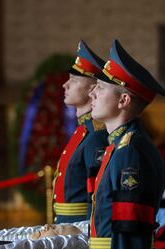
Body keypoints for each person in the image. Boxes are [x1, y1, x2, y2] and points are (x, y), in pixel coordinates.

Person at [88, 39, 165, 249]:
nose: (92, 92)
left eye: (101, 88)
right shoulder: (118, 146)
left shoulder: (130, 153)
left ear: (123, 101)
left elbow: (130, 236)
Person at [52, 40, 108, 223]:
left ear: (92, 90)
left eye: (74, 81)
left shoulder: (96, 135)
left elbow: (98, 196)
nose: (65, 85)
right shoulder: (83, 131)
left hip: (79, 227)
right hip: (67, 224)